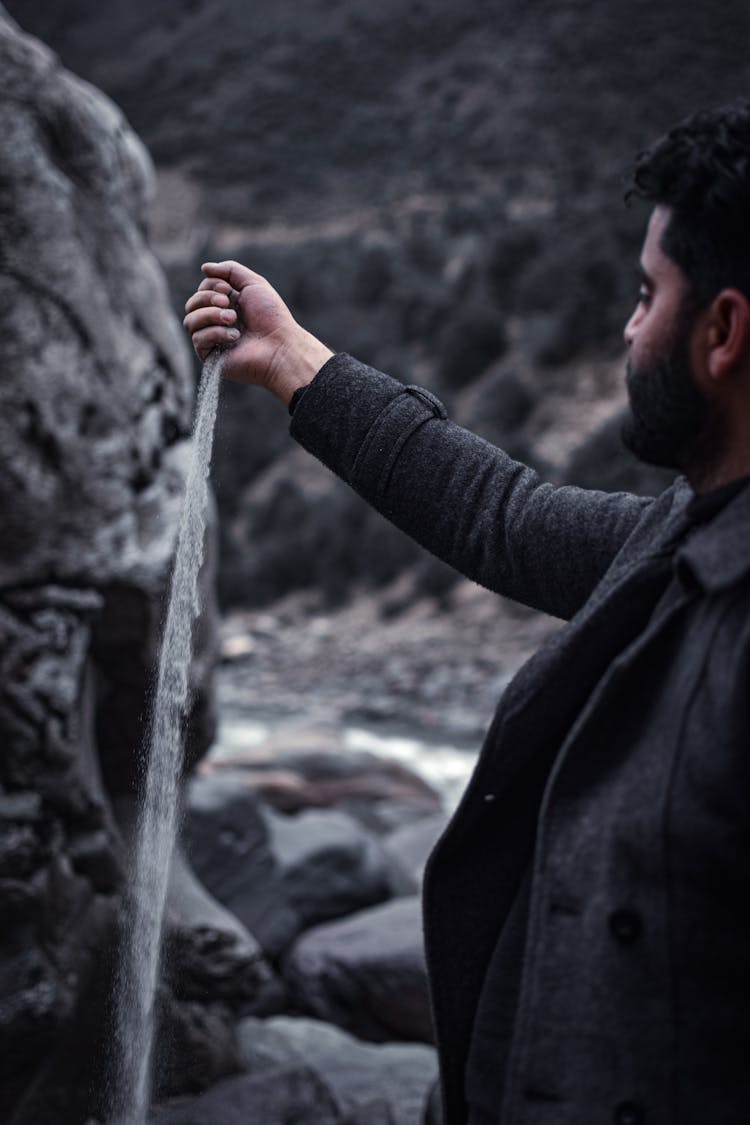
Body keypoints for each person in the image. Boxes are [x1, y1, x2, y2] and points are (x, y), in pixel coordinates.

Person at [183, 100, 750, 1125]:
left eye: (644, 294)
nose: (628, 329)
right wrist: (296, 362)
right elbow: (505, 516)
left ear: (723, 332)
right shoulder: (679, 538)